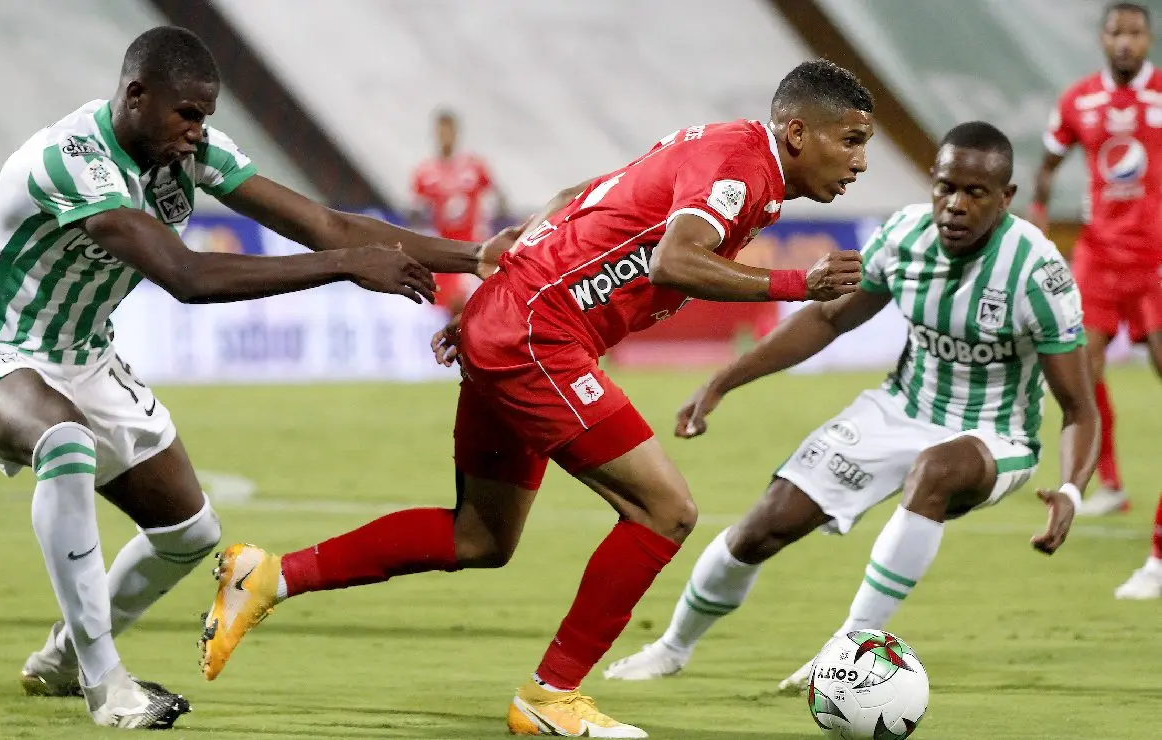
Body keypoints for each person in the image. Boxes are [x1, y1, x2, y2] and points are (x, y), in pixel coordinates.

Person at [199, 59, 873, 738]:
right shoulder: (743, 169)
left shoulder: (724, 146)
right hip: (539, 336)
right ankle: (550, 696)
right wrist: (794, 283)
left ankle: (267, 577)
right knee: (664, 510)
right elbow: (675, 259)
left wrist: (501, 290)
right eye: (850, 140)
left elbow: (579, 194)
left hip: (518, 318)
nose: (861, 162)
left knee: (481, 535)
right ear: (795, 133)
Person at [0, 26, 508, 730]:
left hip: (84, 353)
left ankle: (57, 658)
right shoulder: (71, 158)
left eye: (206, 116)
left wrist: (477, 257)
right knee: (65, 442)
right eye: (187, 114)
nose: (198, 132)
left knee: (190, 530)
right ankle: (103, 680)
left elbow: (323, 223)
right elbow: (186, 276)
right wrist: (342, 268)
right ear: (136, 95)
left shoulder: (189, 151)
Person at [604, 122, 1098, 693]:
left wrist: (1071, 490)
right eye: (945, 187)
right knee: (763, 527)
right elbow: (830, 318)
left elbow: (1079, 408)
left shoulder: (1037, 273)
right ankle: (671, 647)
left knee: (934, 470)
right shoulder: (905, 237)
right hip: (898, 410)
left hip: (995, 436)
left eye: (976, 193)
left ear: (1006, 199)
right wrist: (724, 381)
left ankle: (849, 650)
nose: (955, 206)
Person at [1030, 2, 1161, 524]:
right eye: (1116, 33)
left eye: (1136, 33)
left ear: (1148, 40)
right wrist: (1038, 214)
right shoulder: (1078, 100)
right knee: (1081, 370)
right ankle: (1108, 483)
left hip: (1155, 260)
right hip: (1099, 256)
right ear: (1103, 39)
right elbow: (1047, 165)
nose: (1126, 42)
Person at [410, 108, 508, 319]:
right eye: (440, 132)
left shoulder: (474, 167)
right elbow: (416, 212)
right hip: (442, 252)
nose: (445, 137)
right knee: (444, 311)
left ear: (456, 133)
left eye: (448, 131)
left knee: (471, 309)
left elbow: (500, 199)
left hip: (473, 249)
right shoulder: (425, 172)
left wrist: (491, 225)